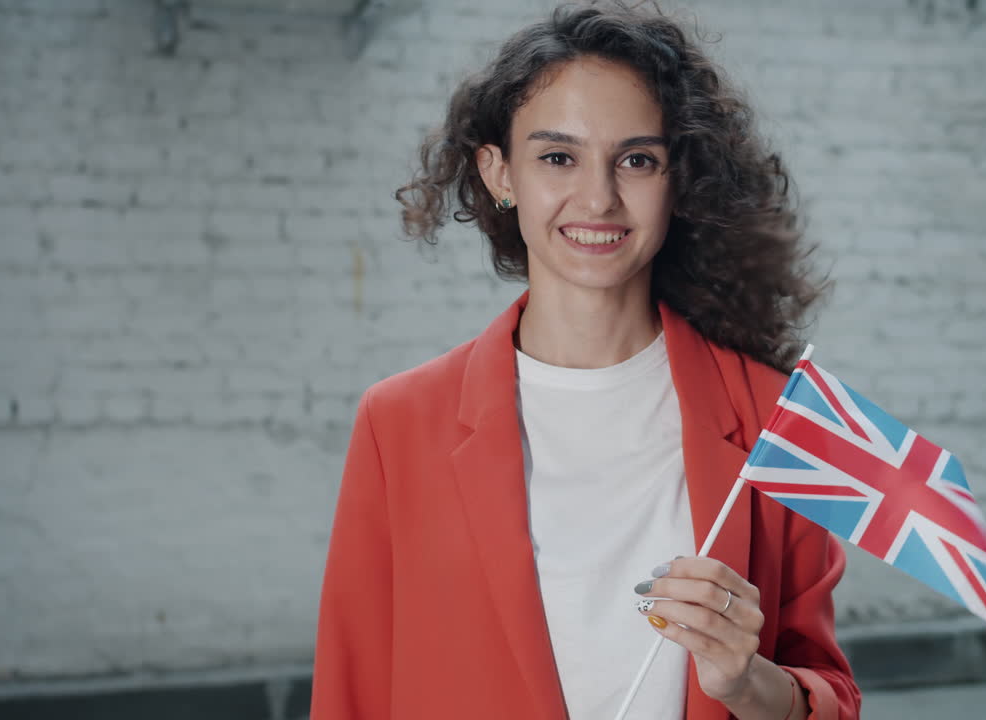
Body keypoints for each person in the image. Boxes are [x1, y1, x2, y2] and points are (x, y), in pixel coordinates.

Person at [309, 2, 861, 718]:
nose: (598, 198)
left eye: (636, 159)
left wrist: (747, 681)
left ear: (676, 181)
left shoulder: (773, 422)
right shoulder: (399, 423)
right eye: (558, 157)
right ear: (499, 172)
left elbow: (831, 701)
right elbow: (352, 693)